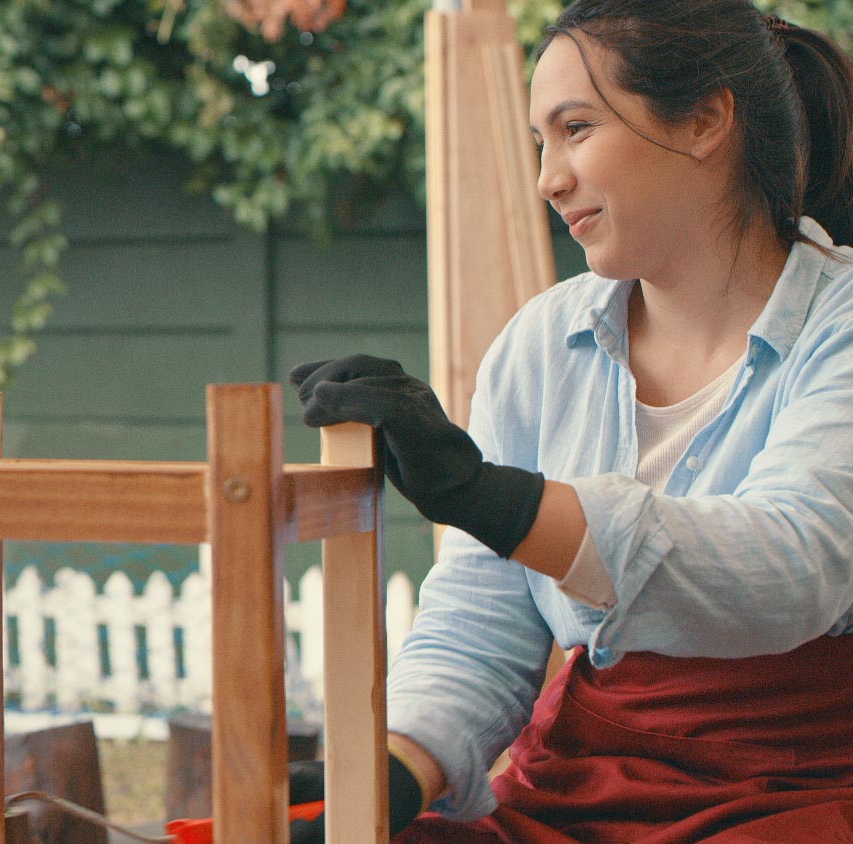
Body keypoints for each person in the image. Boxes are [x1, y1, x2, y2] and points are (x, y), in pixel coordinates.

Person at [287, 1, 853, 841]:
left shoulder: (839, 325)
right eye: (540, 143)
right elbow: (481, 629)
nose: (548, 177)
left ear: (705, 120)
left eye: (577, 129)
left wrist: (494, 499)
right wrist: (390, 776)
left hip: (788, 796)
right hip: (574, 794)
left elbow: (791, 564)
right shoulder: (541, 344)